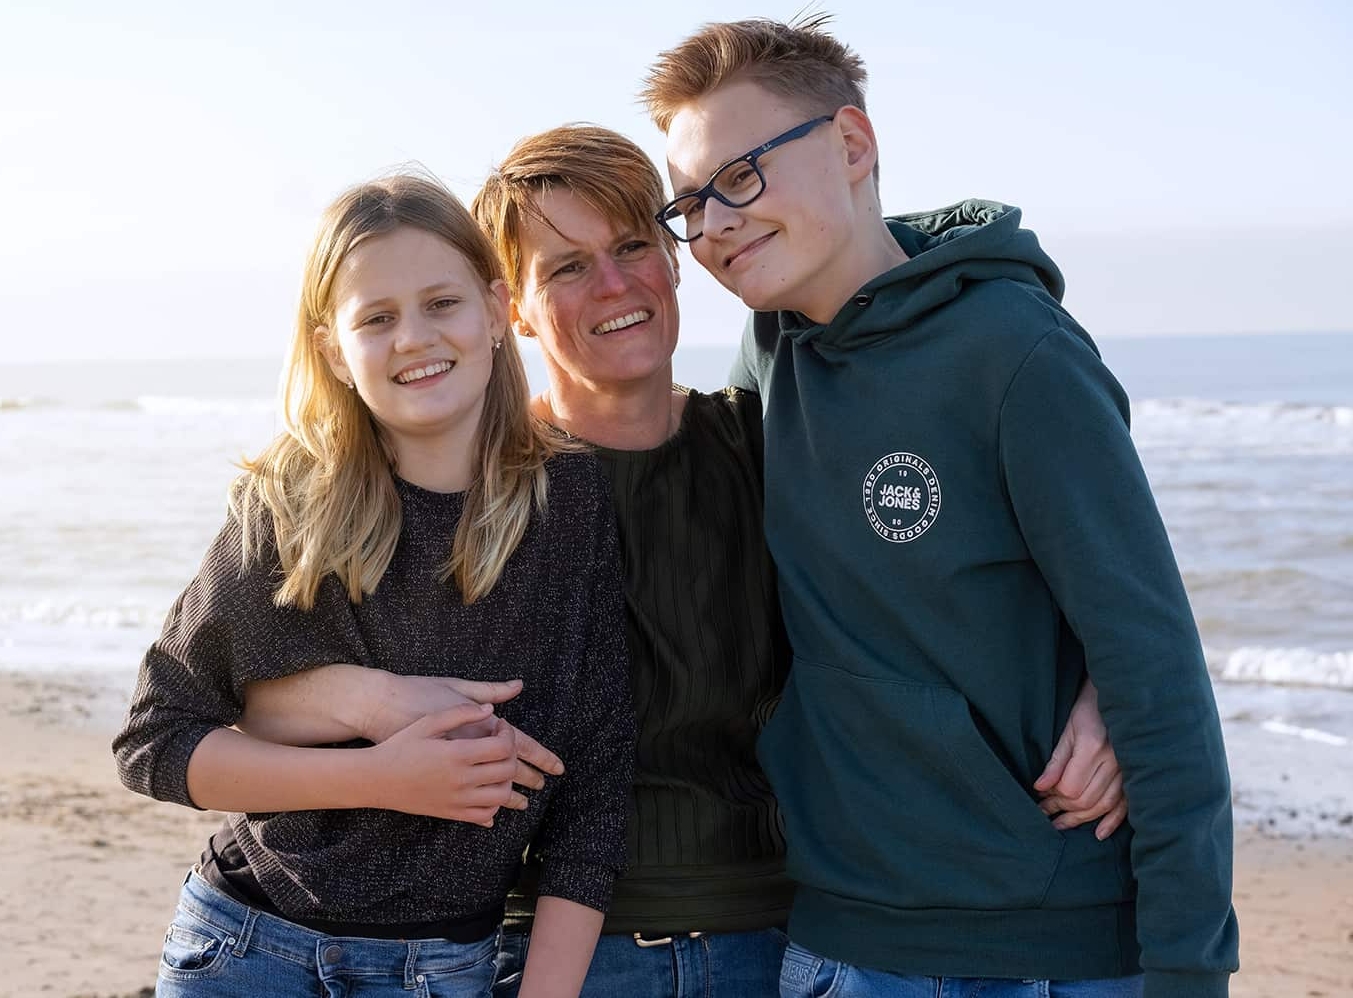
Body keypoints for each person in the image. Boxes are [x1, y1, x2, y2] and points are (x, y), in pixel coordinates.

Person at [239, 127, 1132, 997]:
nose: (614, 284)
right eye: (567, 267)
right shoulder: (473, 481)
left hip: (776, 937)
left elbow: (973, 568)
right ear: (510, 304)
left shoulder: (768, 442)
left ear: (676, 261)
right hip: (551, 951)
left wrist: (1104, 686)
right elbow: (242, 693)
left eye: (633, 245)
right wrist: (367, 698)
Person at [641, 16, 1239, 998]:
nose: (712, 226)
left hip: (1045, 952)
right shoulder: (770, 355)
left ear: (849, 147)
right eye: (690, 202)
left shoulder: (1015, 353)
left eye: (739, 178)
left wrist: (1187, 972)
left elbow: (1152, 661)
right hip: (840, 943)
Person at [112, 173, 635, 998]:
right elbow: (156, 740)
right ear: (333, 349)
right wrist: (376, 759)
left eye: (442, 303)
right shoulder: (290, 503)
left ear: (498, 310)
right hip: (250, 944)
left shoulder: (566, 503)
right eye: (377, 318)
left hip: (446, 967)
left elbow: (594, 791)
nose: (414, 339)